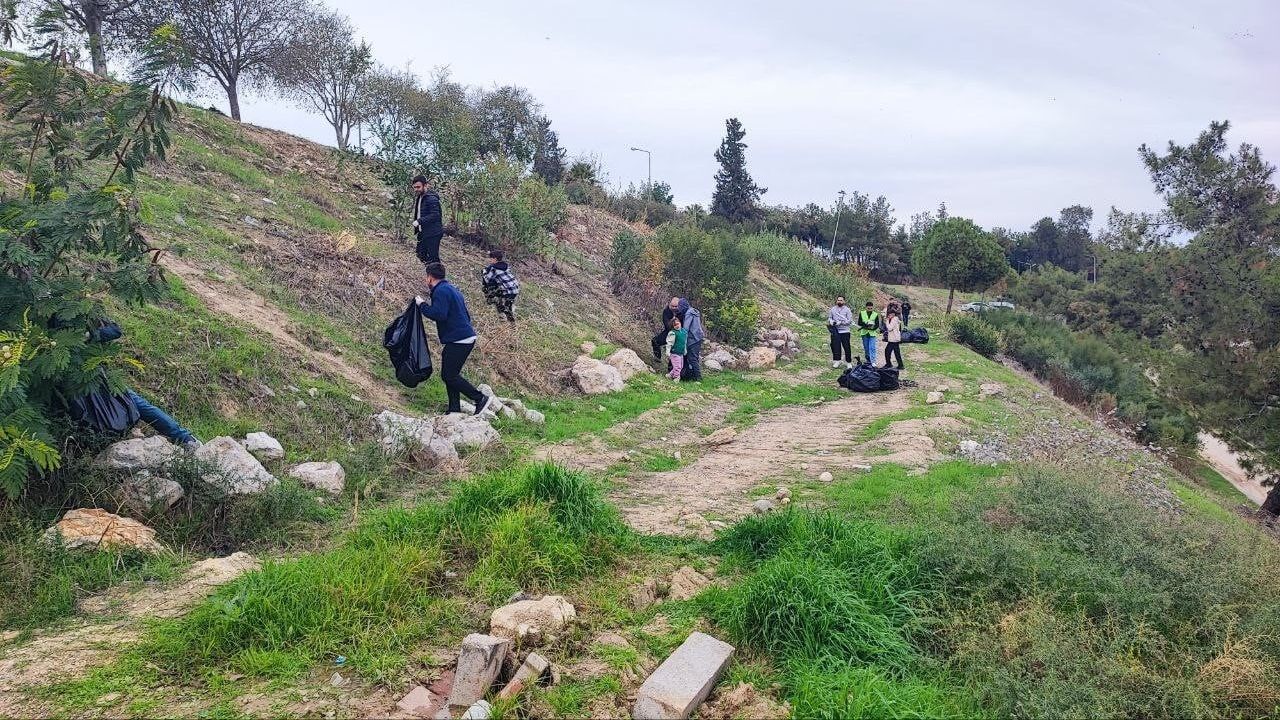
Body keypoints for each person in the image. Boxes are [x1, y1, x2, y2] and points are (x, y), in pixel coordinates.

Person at [88, 320, 201, 449]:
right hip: (80, 385)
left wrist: (89, 335)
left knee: (140, 405)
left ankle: (185, 439)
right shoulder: (62, 321)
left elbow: (115, 330)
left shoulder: (85, 314)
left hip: (102, 378)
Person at [415, 262, 493, 415]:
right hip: (463, 337)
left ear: (430, 277)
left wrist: (421, 305)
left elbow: (439, 314)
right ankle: (454, 409)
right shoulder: (451, 289)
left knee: (448, 375)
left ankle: (479, 398)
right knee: (451, 375)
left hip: (459, 340)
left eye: (426, 277)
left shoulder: (440, 291)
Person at [411, 175, 444, 265]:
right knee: (421, 254)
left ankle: (438, 277)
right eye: (414, 187)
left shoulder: (431, 198)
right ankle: (429, 275)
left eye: (418, 187)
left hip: (433, 233)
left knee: (433, 259)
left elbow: (435, 215)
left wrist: (419, 221)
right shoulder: (421, 196)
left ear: (425, 185)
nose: (416, 189)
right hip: (424, 232)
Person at [481, 249, 520, 322]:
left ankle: (511, 326)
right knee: (507, 305)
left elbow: (487, 280)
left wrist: (484, 272)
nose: (489, 260)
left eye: (491, 258)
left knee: (506, 308)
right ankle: (508, 321)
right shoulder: (505, 266)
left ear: (495, 259)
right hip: (514, 288)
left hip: (508, 291)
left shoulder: (494, 269)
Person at [675, 298, 705, 381]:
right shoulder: (694, 311)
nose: (678, 308)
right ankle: (692, 377)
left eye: (679, 306)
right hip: (697, 338)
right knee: (693, 358)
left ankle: (698, 378)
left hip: (693, 339)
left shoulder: (689, 313)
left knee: (692, 359)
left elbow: (686, 328)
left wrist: (680, 337)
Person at [827, 296, 853, 369]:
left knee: (846, 347)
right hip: (835, 330)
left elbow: (849, 321)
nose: (839, 301)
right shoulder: (833, 309)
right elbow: (830, 318)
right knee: (836, 346)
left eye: (841, 300)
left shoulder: (847, 310)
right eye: (838, 300)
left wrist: (841, 322)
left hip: (845, 331)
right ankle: (837, 360)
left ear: (844, 301)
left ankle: (848, 362)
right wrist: (832, 322)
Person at [857, 301, 881, 366]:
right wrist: (865, 324)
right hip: (864, 333)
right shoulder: (862, 313)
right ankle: (868, 360)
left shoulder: (875, 314)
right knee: (866, 347)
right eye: (868, 308)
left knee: (872, 347)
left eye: (871, 308)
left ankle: (873, 361)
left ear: (872, 308)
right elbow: (859, 322)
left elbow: (877, 324)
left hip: (872, 333)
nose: (869, 310)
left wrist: (872, 328)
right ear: (866, 307)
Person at [666, 316, 687, 380]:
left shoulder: (683, 331)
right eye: (674, 325)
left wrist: (685, 350)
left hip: (681, 353)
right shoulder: (673, 333)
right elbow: (669, 343)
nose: (677, 326)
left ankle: (669, 375)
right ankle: (676, 378)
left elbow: (684, 342)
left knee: (680, 366)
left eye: (677, 324)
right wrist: (668, 352)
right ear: (673, 327)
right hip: (674, 353)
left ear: (680, 323)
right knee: (677, 367)